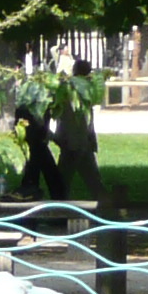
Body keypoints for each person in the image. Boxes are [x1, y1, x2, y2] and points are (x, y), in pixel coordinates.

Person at [52, 62, 100, 200]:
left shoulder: (68, 89)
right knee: (93, 182)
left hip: (71, 142)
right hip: (82, 141)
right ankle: (107, 210)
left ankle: (59, 212)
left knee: (62, 184)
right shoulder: (87, 90)